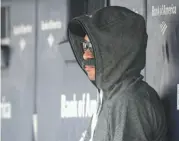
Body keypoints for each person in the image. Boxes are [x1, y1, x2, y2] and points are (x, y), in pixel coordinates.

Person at [60, 6, 168, 141]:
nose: (85, 56)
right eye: (85, 47)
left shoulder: (129, 100)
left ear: (115, 51)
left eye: (93, 48)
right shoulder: (111, 95)